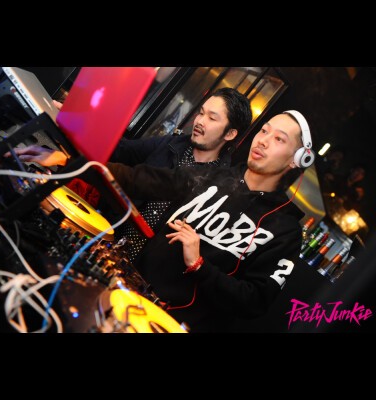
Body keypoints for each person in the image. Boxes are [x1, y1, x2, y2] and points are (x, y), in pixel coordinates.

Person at [104, 110, 313, 332]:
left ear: (296, 160)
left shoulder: (284, 230)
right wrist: (93, 163)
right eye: (264, 131)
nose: (263, 141)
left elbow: (254, 301)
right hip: (126, 293)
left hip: (168, 325)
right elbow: (142, 179)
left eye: (279, 139)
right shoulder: (212, 175)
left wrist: (199, 265)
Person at [10, 88, 252, 261]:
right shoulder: (173, 143)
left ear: (230, 134)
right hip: (107, 235)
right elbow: (122, 150)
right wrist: (79, 121)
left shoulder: (219, 183)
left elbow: (139, 179)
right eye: (201, 112)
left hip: (141, 263)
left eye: (212, 118)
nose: (200, 121)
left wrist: (70, 162)